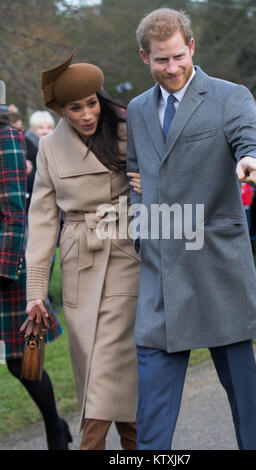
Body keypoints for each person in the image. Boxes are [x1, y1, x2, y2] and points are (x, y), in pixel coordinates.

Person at [126, 8, 256, 450]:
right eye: (160, 60)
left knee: (244, 399)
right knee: (152, 409)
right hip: (160, 276)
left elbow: (254, 143)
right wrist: (141, 230)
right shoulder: (137, 109)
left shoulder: (230, 96)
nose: (171, 69)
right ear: (144, 58)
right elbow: (136, 175)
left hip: (217, 269)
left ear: (191, 47)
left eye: (178, 56)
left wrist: (255, 164)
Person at [22, 51, 141, 450]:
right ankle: (136, 444)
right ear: (60, 109)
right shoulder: (49, 148)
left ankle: (92, 444)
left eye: (92, 102)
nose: (88, 114)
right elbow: (40, 222)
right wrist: (36, 292)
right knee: (92, 362)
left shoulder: (128, 127)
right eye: (76, 107)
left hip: (125, 252)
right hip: (77, 263)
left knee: (112, 357)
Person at [0, 80, 70, 450]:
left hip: (4, 267)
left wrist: (4, 269)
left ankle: (54, 429)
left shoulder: (8, 139)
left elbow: (14, 212)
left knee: (20, 362)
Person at [24, 110, 55, 212]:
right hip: (30, 198)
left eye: (49, 128)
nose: (45, 131)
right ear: (32, 129)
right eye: (41, 128)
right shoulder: (25, 145)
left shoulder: (55, 146)